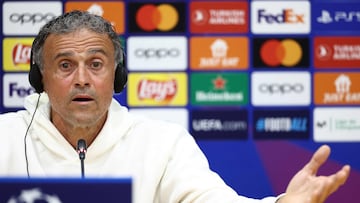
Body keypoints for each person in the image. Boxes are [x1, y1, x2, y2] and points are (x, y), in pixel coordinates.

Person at [0, 10, 350, 203]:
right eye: (65, 65)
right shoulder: (5, 138)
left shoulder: (162, 142)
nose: (81, 79)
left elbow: (210, 200)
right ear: (40, 77)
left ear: (116, 76)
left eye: (96, 64)